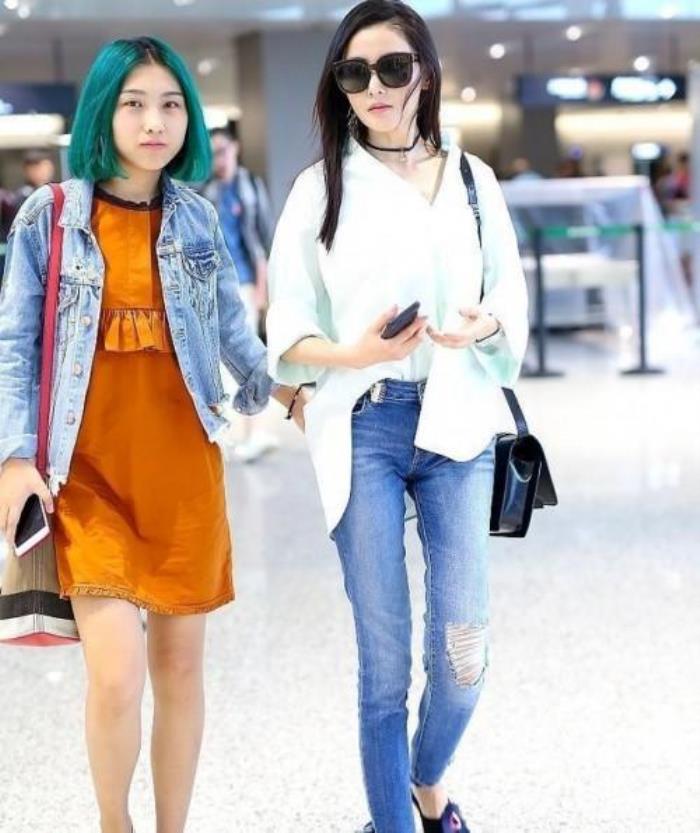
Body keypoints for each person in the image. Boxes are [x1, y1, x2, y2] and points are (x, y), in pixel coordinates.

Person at [0, 36, 297, 833]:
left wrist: (286, 390)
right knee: (117, 676)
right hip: (89, 477)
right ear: (104, 113)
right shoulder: (51, 216)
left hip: (183, 474)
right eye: (134, 104)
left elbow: (232, 332)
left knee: (180, 668)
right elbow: (14, 344)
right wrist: (13, 457)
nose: (154, 121)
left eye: (170, 104)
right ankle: (114, 822)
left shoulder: (197, 216)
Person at [266, 2, 528, 832]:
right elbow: (287, 330)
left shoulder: (473, 179)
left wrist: (483, 324)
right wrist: (355, 354)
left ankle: (424, 779)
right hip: (365, 426)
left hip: (459, 422)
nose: (374, 86)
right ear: (339, 86)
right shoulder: (319, 188)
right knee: (384, 667)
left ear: (426, 72)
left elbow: (509, 294)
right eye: (355, 72)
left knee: (463, 655)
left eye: (393, 67)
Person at [202, 125, 279, 463]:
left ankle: (257, 431)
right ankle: (242, 432)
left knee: (249, 358)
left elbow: (263, 240)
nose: (218, 159)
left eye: (222, 151)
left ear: (235, 148)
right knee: (223, 365)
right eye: (213, 153)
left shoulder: (249, 187)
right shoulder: (208, 192)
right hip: (216, 287)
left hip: (246, 282)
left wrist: (264, 289)